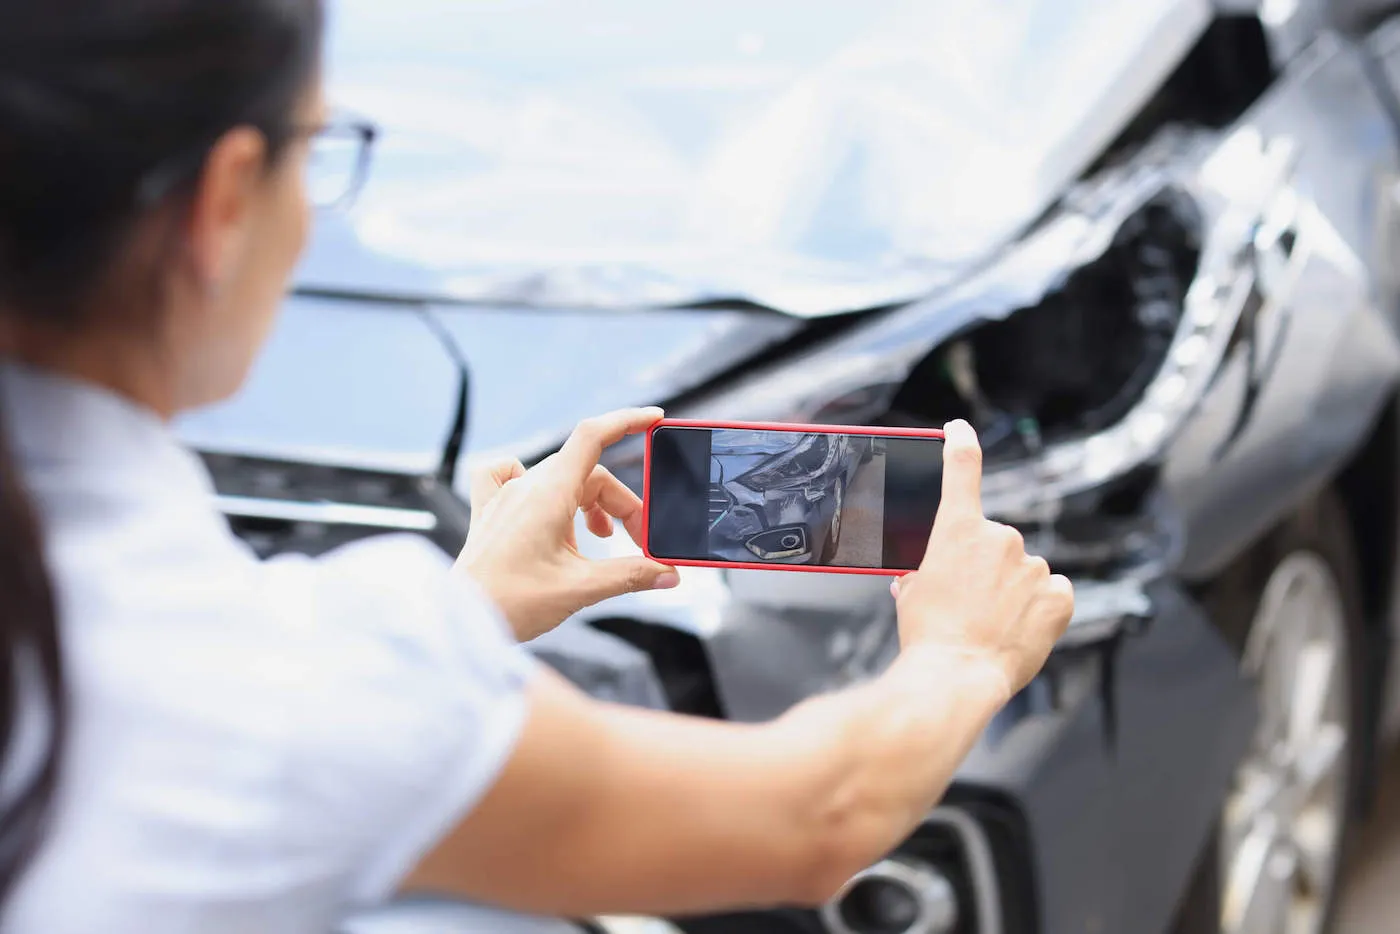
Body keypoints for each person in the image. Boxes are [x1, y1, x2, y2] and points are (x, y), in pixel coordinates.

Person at [0, 2, 1074, 932]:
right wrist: (963, 652)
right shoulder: (288, 687)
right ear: (223, 201)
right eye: (319, 150)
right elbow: (814, 816)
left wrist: (470, 608)